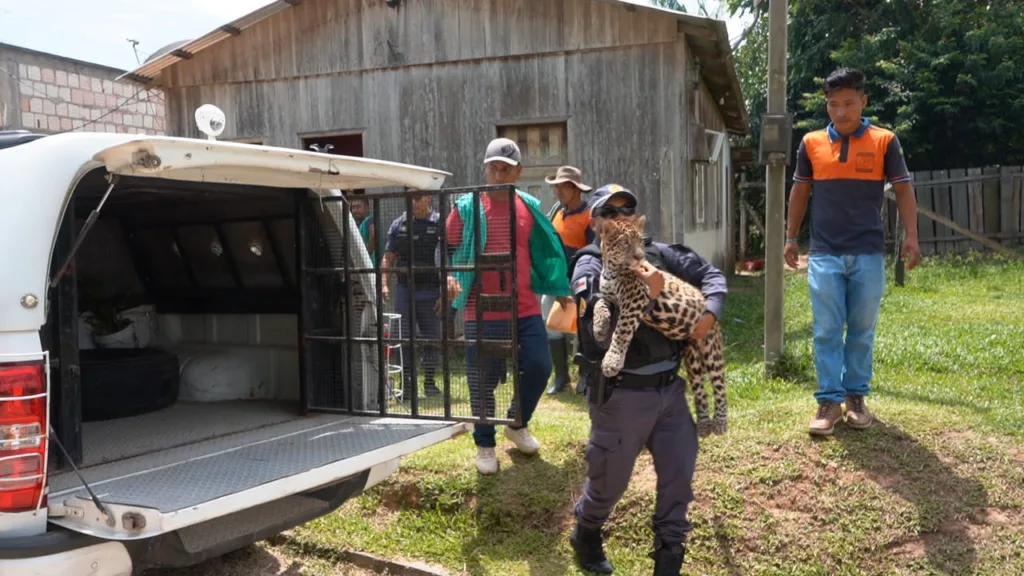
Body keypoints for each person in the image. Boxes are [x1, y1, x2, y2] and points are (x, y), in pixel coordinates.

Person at [568, 184, 726, 575]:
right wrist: (649, 297)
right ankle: (586, 531)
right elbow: (594, 331)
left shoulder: (660, 254)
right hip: (623, 395)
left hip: (670, 391)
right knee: (609, 483)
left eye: (628, 209)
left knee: (678, 476)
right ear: (595, 221)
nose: (620, 216)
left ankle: (669, 559)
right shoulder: (590, 263)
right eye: (610, 210)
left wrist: (710, 313)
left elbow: (710, 275)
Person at [785, 67, 920, 436]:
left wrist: (912, 236)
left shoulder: (884, 141)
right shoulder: (810, 143)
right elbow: (800, 191)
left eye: (848, 103)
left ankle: (855, 397)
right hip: (825, 252)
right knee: (827, 329)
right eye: (833, 104)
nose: (841, 112)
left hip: (867, 253)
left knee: (861, 329)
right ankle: (828, 401)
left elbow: (904, 189)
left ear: (864, 101)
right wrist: (790, 236)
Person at [445, 137, 572, 475]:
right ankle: (485, 445)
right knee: (481, 378)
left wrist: (560, 289)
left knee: (539, 365)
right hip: (479, 307)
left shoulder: (528, 205)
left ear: (518, 171)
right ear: (485, 167)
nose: (498, 175)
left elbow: (544, 252)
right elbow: (445, 247)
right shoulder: (467, 206)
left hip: (525, 304)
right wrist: (449, 276)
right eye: (492, 167)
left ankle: (517, 422)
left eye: (505, 168)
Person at [381, 192, 443, 399]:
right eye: (411, 199)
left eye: (418, 198)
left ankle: (430, 383)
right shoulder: (399, 224)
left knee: (432, 338)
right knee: (403, 338)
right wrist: (384, 285)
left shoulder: (440, 223)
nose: (414, 203)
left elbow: (450, 256)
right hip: (405, 290)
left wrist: (445, 291)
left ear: (429, 199)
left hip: (431, 290)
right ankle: (407, 385)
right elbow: (388, 257)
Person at [541, 165, 595, 395]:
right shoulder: (556, 211)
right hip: (554, 280)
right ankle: (561, 377)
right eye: (557, 187)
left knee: (583, 329)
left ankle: (585, 377)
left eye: (564, 187)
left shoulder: (589, 216)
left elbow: (593, 251)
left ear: (576, 189)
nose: (559, 192)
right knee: (550, 324)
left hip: (578, 281)